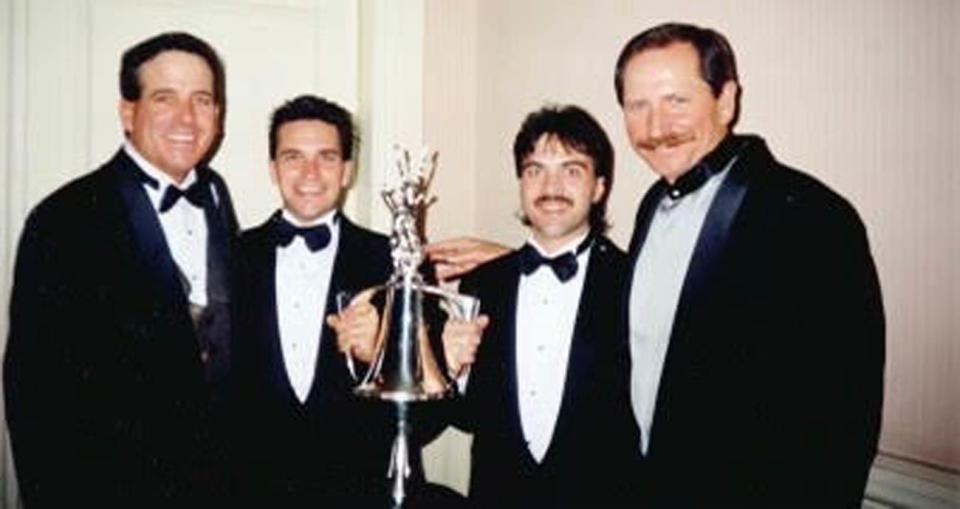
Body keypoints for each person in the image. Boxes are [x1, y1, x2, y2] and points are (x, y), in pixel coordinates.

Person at [613, 23, 885, 506]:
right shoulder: (652, 204)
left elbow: (844, 418)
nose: (655, 128)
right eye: (638, 106)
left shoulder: (811, 216)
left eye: (676, 100)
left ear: (726, 99)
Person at [4, 32, 238, 505]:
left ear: (218, 115)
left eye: (202, 100)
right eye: (164, 99)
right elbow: (33, 391)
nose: (187, 119)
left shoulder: (215, 194)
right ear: (127, 112)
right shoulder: (65, 218)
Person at [441, 105, 639, 508]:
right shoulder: (483, 282)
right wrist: (454, 370)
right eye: (535, 170)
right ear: (520, 183)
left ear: (599, 187)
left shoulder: (634, 283)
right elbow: (469, 417)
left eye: (571, 170)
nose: (551, 187)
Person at [232, 95, 395, 504]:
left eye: (326, 157)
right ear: (273, 169)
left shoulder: (392, 259)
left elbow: (423, 412)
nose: (309, 173)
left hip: (358, 491)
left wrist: (373, 356)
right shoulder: (228, 257)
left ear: (346, 171)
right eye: (292, 157)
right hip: (250, 489)